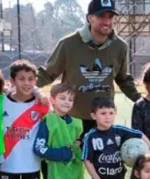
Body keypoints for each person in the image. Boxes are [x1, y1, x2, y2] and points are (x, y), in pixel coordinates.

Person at [36, 0, 140, 135]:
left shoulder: (120, 47)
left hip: (102, 119)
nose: (107, 21)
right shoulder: (69, 44)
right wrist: (22, 89)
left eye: (111, 16)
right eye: (102, 16)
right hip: (72, 118)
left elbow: (123, 79)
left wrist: (141, 100)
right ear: (90, 18)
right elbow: (47, 73)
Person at [33, 83, 87, 179]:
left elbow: (80, 147)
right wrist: (65, 153)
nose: (66, 102)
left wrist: (78, 151)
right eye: (62, 98)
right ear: (52, 100)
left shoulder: (77, 123)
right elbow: (39, 148)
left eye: (70, 99)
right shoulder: (47, 121)